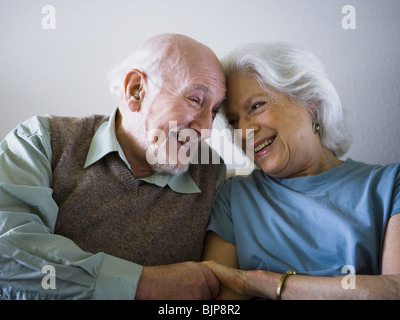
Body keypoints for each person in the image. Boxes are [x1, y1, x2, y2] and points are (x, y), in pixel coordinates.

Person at [0, 33, 226, 299]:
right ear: (136, 90)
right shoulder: (40, 140)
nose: (207, 129)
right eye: (195, 100)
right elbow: (7, 252)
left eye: (214, 111)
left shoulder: (211, 171)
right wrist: (144, 284)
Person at [202, 42, 400, 299]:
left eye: (256, 106)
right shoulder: (233, 197)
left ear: (310, 101)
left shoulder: (389, 184)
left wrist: (263, 283)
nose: (244, 131)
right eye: (234, 121)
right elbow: (218, 301)